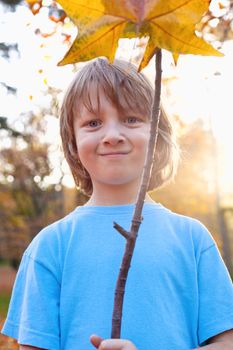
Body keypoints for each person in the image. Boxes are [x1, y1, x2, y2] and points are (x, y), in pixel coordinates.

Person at [1, 58, 233, 350]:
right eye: (93, 123)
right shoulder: (49, 246)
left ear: (157, 135)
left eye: (131, 119)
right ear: (72, 143)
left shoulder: (192, 238)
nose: (112, 136)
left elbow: (227, 341)